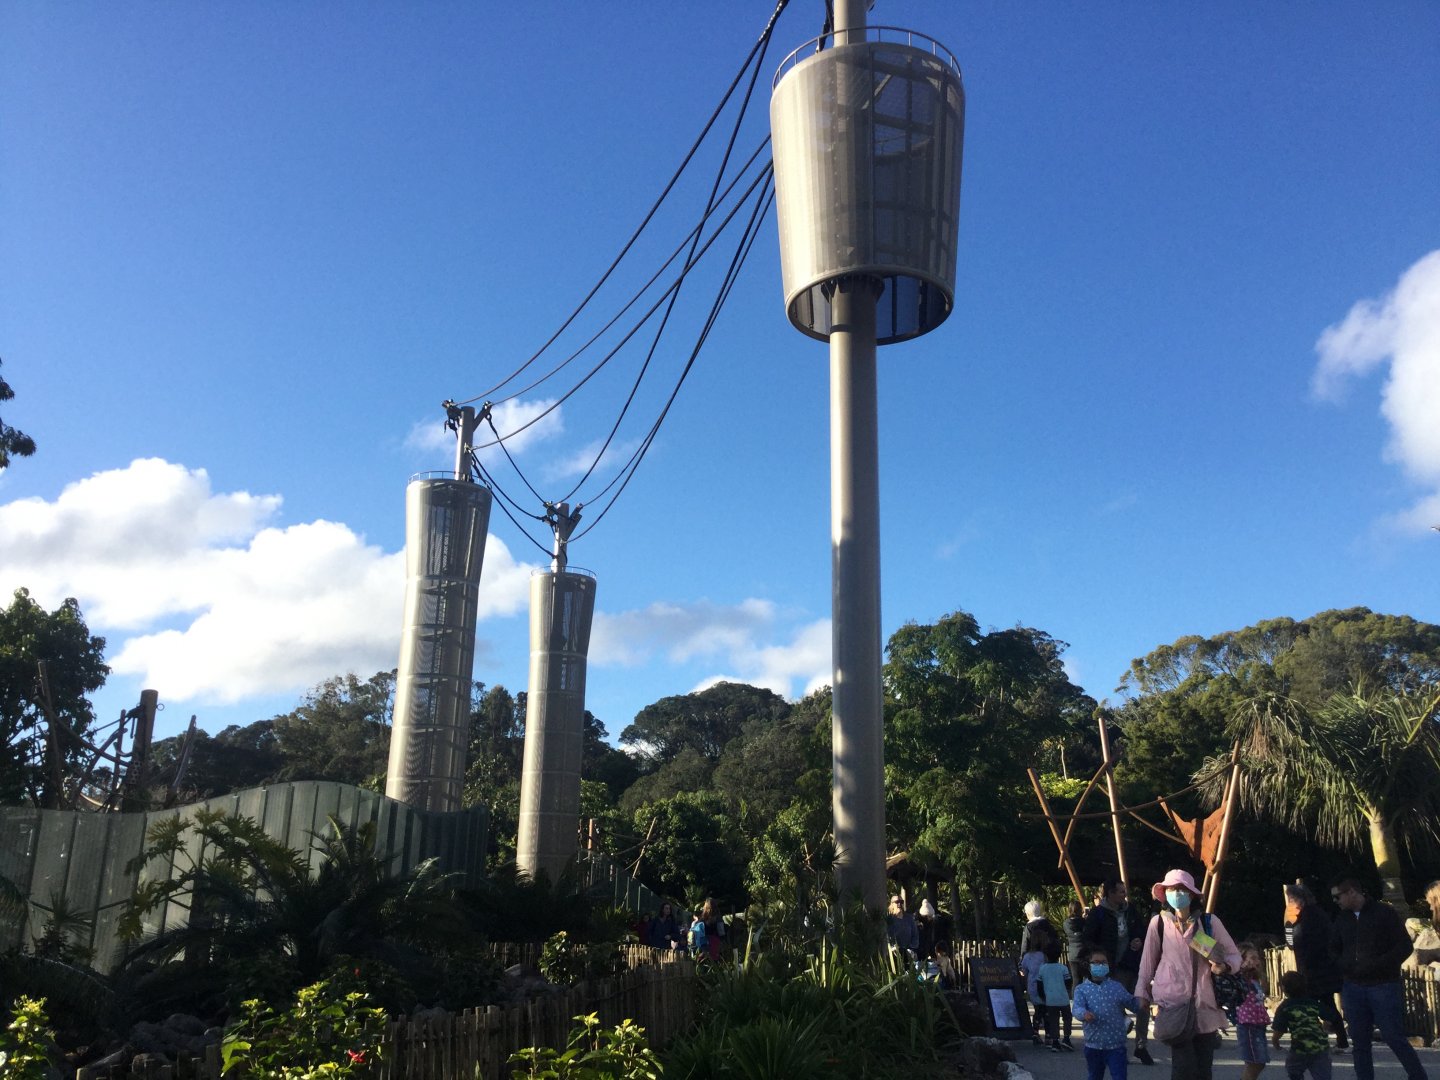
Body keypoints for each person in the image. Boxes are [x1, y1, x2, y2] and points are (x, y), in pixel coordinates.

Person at [1134, 868, 1241, 1080]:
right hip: (1174, 1005)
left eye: (1181, 889)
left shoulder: (1209, 923)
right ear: (1165, 894)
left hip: (1206, 1007)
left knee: (1203, 1071)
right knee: (1183, 1069)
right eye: (1172, 889)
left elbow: (1234, 956)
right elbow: (1147, 963)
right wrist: (1142, 994)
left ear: (1192, 894)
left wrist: (1225, 967)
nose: (1176, 893)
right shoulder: (1159, 924)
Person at [1328, 876, 1429, 1080]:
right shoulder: (1342, 919)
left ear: (1352, 892)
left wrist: (1379, 964)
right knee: (1360, 1041)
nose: (1336, 901)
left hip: (1382, 984)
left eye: (1338, 896)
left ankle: (1418, 1076)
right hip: (1353, 986)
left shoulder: (1384, 913)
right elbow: (1333, 948)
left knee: (1394, 1037)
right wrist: (1343, 965)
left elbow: (1403, 946)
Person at [1084, 879, 1153, 1065]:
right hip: (1114, 968)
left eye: (1124, 891)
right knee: (1115, 1007)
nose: (1124, 895)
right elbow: (1087, 939)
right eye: (1120, 891)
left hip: (1133, 964)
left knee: (1142, 1005)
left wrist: (1138, 939)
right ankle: (1118, 1047)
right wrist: (1101, 955)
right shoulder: (1098, 914)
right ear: (1110, 894)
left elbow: (1142, 930)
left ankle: (1141, 1046)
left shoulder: (1131, 911)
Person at [1283, 882, 1347, 1050]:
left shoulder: (1309, 917)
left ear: (1299, 899)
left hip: (1315, 969)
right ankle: (1340, 1040)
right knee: (1327, 1005)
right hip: (1320, 968)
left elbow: (1297, 942)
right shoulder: (1313, 914)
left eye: (1291, 899)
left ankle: (1311, 1040)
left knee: (1308, 1006)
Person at [1074, 946, 1140, 1080]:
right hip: (1093, 1045)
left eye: (1104, 962)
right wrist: (1084, 1014)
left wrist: (1144, 1001)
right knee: (1094, 1076)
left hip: (1116, 1045)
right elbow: (1076, 1008)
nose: (1100, 965)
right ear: (1088, 965)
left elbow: (1132, 1003)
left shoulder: (1116, 987)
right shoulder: (1081, 990)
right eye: (1096, 962)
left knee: (1120, 1077)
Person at [1272, 971, 1333, 1080]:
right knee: (1323, 1074)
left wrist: (1275, 1042)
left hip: (1300, 1047)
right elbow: (1329, 1016)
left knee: (1293, 1068)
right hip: (1320, 1045)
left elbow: (1279, 1030)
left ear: (1284, 989)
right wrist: (1325, 1028)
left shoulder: (1285, 1007)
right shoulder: (1313, 1003)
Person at [1235, 942, 1272, 1080]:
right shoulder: (1241, 979)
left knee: (1258, 1063)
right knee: (1255, 1063)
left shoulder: (1254, 979)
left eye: (1257, 958)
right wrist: (1240, 965)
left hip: (1258, 1025)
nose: (1257, 961)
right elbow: (1235, 974)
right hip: (1248, 1025)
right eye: (1253, 957)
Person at [1038, 936, 1076, 1051]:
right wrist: (1068, 991)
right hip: (1063, 998)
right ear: (1059, 955)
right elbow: (1069, 982)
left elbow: (1039, 985)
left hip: (1050, 999)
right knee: (1067, 1018)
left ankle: (1055, 1041)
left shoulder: (1043, 968)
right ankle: (1066, 1038)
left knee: (1053, 1020)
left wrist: (1042, 996)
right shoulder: (1063, 968)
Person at [1021, 935, 1048, 1045]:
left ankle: (1035, 1032)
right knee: (1046, 1011)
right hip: (1045, 986)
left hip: (1033, 985)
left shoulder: (1027, 956)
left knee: (1037, 1010)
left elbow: (1024, 970)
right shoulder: (1045, 956)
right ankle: (1049, 1034)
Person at [1065, 898, 1090, 989]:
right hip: (1084, 953)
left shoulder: (1066, 923)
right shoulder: (1083, 922)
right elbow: (1087, 934)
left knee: (1076, 980)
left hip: (1073, 954)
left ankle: (1076, 1000)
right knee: (1088, 978)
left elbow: (1073, 935)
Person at [887, 895, 919, 960]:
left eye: (901, 902)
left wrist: (911, 949)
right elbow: (887, 937)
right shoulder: (889, 920)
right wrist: (893, 948)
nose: (899, 904)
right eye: (897, 902)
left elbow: (915, 936)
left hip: (909, 954)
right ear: (892, 904)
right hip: (894, 955)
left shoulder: (909, 919)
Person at [698, 897, 723, 961]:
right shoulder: (718, 918)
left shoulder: (702, 919)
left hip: (704, 946)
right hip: (715, 944)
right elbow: (721, 932)